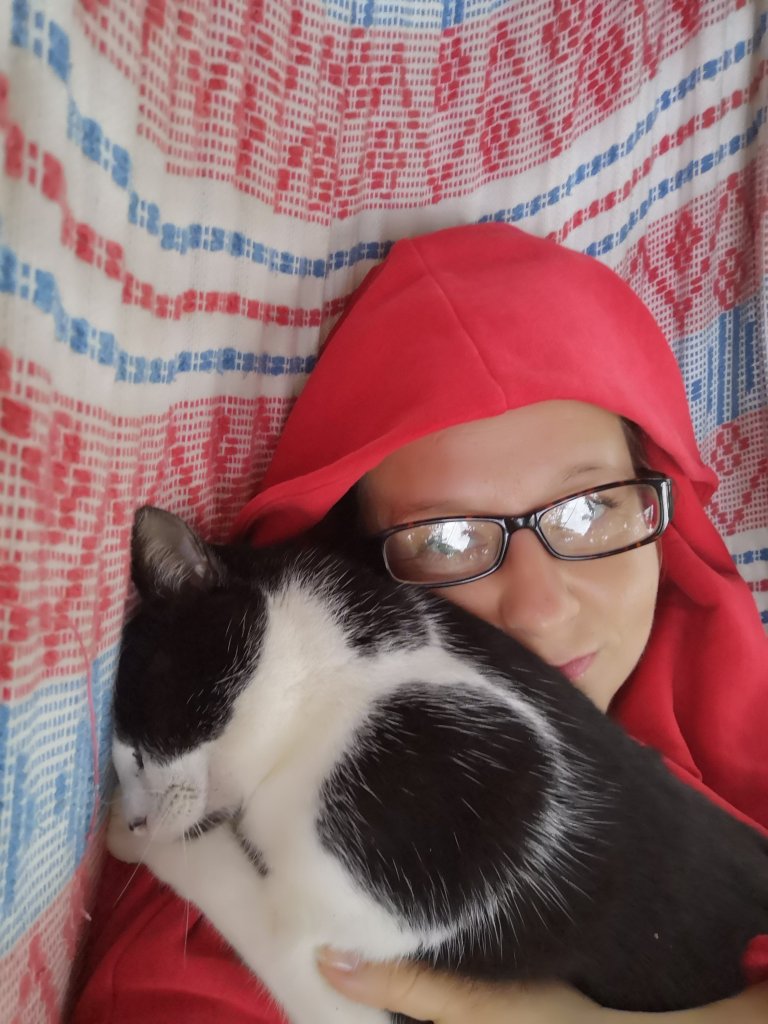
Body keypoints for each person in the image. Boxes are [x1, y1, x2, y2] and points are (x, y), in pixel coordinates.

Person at [72, 223, 768, 1023]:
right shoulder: (214, 915)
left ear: (658, 506)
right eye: (446, 542)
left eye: (589, 511)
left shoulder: (725, 706)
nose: (539, 606)